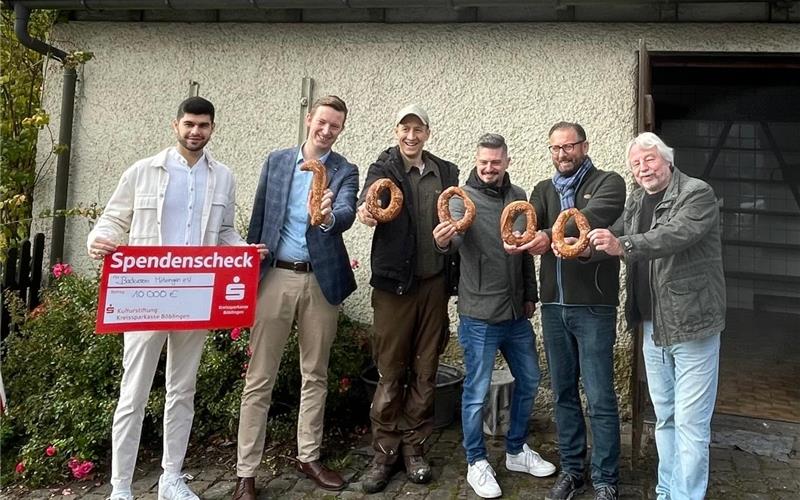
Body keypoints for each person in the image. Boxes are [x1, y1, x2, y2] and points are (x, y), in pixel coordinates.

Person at [87, 97, 265, 500]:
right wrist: (99, 240)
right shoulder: (143, 171)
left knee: (182, 391)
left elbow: (224, 233)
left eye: (203, 125)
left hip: (194, 298)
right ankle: (121, 487)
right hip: (147, 297)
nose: (195, 131)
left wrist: (245, 251)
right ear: (176, 125)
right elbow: (114, 219)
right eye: (189, 124)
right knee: (133, 394)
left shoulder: (223, 177)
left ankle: (171, 478)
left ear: (212, 128)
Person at [232, 95, 359, 499]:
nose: (326, 130)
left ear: (340, 129)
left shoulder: (344, 171)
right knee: (259, 378)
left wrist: (328, 216)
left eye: (335, 126)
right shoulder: (277, 161)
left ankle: (309, 456)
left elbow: (346, 213)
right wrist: (249, 273)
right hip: (276, 277)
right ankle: (246, 471)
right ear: (309, 120)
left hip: (319, 282)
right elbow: (258, 218)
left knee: (315, 374)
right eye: (322, 122)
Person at [588, 132, 725, 500]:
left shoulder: (696, 194)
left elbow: (675, 235)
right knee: (664, 417)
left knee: (691, 423)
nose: (643, 168)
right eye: (636, 163)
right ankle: (667, 491)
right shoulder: (637, 200)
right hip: (652, 326)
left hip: (692, 325)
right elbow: (614, 235)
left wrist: (625, 245)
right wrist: (575, 243)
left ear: (667, 159)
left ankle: (686, 495)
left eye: (649, 159)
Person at [505, 122, 626, 500]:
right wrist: (527, 237)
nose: (562, 154)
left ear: (584, 146)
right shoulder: (542, 190)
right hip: (554, 307)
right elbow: (527, 225)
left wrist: (549, 234)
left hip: (593, 306)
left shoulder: (609, 182)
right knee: (562, 393)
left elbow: (588, 219)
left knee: (600, 395)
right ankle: (573, 470)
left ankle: (606, 477)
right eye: (555, 148)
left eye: (569, 147)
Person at [432, 134, 556, 498]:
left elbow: (526, 250)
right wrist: (442, 241)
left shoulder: (518, 196)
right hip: (479, 314)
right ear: (476, 160)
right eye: (484, 161)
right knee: (476, 392)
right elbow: (451, 242)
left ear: (506, 161)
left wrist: (530, 296)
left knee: (531, 378)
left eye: (496, 162)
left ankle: (516, 449)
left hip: (516, 313)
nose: (490, 167)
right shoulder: (459, 199)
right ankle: (476, 461)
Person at [355, 104, 459, 494]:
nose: (411, 136)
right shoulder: (383, 169)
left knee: (426, 368)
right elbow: (370, 203)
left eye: (418, 129)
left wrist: (450, 241)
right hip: (393, 286)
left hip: (433, 284)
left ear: (427, 133)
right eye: (405, 128)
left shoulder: (446, 173)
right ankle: (384, 453)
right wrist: (367, 212)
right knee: (390, 369)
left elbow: (455, 217)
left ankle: (414, 448)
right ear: (396, 131)